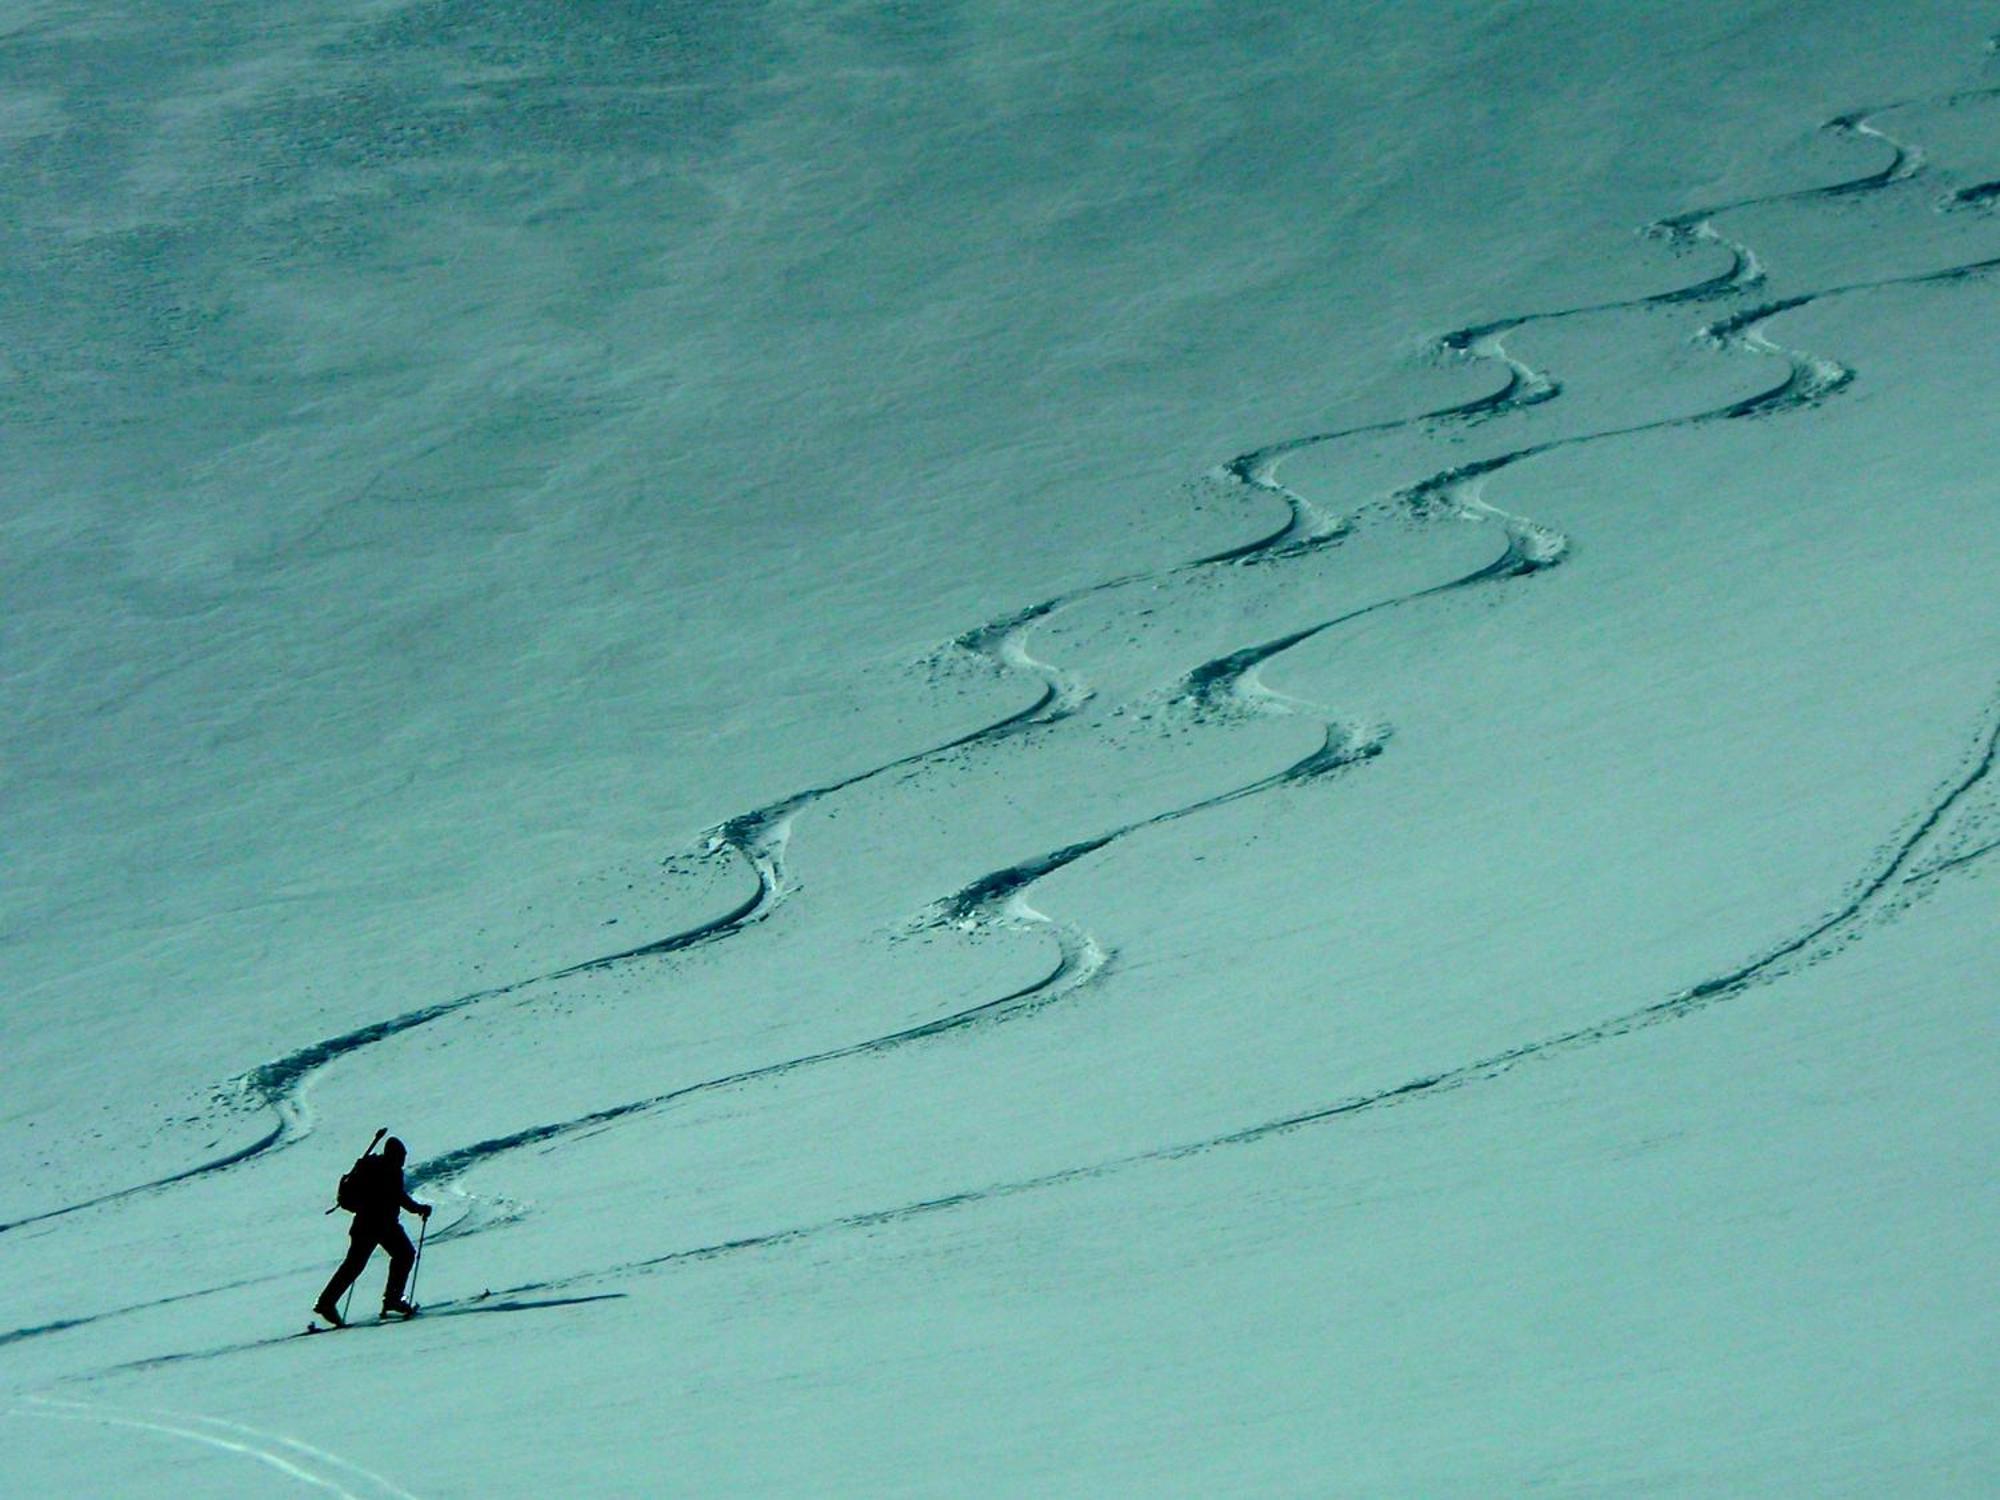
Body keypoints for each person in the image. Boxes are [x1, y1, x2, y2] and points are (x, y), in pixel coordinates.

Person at [314, 1136, 432, 1325]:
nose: (403, 1160)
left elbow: (396, 1196)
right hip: (379, 1225)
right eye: (401, 1156)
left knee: (357, 1264)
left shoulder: (376, 1167)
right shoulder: (389, 1171)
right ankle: (391, 1299)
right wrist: (419, 1209)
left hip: (367, 1224)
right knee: (403, 1255)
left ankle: (327, 1302)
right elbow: (398, 1197)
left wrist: (417, 1208)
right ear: (395, 1155)